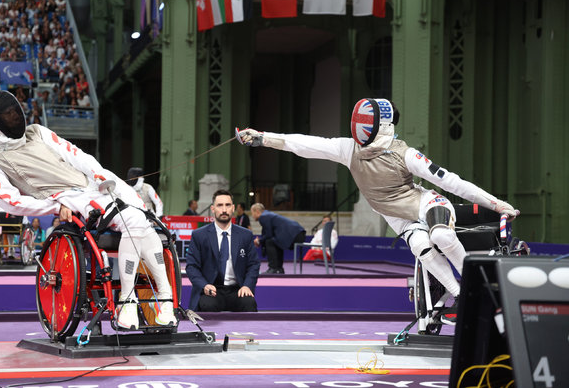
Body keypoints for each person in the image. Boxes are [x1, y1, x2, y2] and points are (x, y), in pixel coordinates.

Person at [236, 98, 518, 324]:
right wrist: (262, 138)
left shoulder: (404, 153)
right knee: (422, 247)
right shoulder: (350, 150)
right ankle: (461, 296)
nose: (358, 128)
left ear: (379, 125)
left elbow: (450, 182)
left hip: (425, 204)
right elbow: (304, 144)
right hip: (397, 217)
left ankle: (476, 287)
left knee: (442, 237)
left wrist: (496, 204)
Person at [0, 90, 176, 328]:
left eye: (15, 111)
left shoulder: (38, 131)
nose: (16, 117)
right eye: (7, 115)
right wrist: (53, 206)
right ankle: (134, 300)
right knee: (133, 220)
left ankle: (161, 301)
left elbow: (75, 154)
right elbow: (10, 201)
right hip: (67, 198)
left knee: (143, 217)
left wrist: (98, 174)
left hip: (93, 185)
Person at [185, 189, 260, 311]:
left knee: (249, 302)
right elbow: (192, 267)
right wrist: (204, 285)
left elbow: (253, 265)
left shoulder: (245, 235)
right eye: (220, 205)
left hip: (237, 290)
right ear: (213, 208)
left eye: (228, 205)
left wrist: (247, 286)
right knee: (206, 304)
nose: (224, 210)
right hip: (211, 290)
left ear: (233, 208)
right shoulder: (199, 235)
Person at [250, 203, 306, 274]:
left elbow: (268, 235)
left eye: (252, 213)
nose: (252, 216)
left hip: (295, 235)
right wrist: (260, 241)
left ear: (257, 211)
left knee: (269, 242)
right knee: (275, 242)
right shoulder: (267, 215)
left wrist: (259, 241)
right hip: (299, 233)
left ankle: (273, 268)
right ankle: (279, 269)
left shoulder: (263, 217)